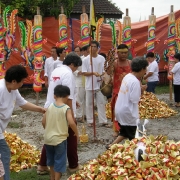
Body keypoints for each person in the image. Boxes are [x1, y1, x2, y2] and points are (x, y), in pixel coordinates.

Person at [37, 52, 82, 174]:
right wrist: (71, 115)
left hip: (51, 107)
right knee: (72, 137)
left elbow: (59, 91)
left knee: (51, 136)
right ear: (72, 64)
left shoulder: (56, 71)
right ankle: (73, 165)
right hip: (62, 110)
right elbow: (68, 96)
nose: (76, 69)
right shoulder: (68, 74)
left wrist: (73, 102)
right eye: (76, 67)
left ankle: (42, 165)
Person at [0, 65, 45, 180]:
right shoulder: (0, 89)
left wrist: (40, 109)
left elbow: (23, 103)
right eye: (22, 81)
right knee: (4, 154)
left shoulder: (13, 90)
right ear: (14, 81)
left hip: (1, 128)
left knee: (4, 156)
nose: (23, 84)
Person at [106, 56, 148, 149]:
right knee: (135, 136)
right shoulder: (135, 82)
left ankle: (111, 146)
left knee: (124, 132)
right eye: (145, 69)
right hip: (128, 112)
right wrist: (142, 90)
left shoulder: (128, 76)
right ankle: (137, 154)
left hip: (120, 109)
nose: (145, 72)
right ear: (141, 69)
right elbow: (134, 99)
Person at [42, 85, 79, 180]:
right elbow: (71, 122)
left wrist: (47, 130)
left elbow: (43, 121)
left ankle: (52, 177)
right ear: (67, 97)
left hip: (48, 139)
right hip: (60, 140)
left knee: (51, 160)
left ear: (54, 96)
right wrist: (76, 133)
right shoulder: (66, 108)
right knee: (59, 160)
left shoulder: (49, 106)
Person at [82, 40, 109, 127]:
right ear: (89, 48)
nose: (93, 48)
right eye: (91, 47)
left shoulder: (102, 58)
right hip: (90, 84)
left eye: (95, 47)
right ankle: (90, 121)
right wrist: (93, 73)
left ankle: (103, 120)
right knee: (89, 103)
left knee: (101, 102)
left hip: (100, 84)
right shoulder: (86, 59)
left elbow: (105, 70)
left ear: (98, 48)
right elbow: (84, 73)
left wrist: (104, 76)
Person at [111, 44, 131, 137]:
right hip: (117, 91)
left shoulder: (130, 63)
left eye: (126, 53)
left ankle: (127, 128)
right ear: (118, 53)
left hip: (128, 92)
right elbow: (108, 73)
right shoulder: (115, 63)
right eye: (122, 53)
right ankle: (116, 129)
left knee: (128, 111)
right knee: (117, 111)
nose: (124, 54)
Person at [74, 45, 90, 121]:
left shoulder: (88, 59)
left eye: (78, 51)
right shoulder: (76, 60)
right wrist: (78, 72)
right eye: (75, 51)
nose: (77, 52)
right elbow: (72, 70)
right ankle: (79, 115)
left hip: (87, 81)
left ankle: (86, 114)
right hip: (79, 81)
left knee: (87, 99)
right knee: (79, 99)